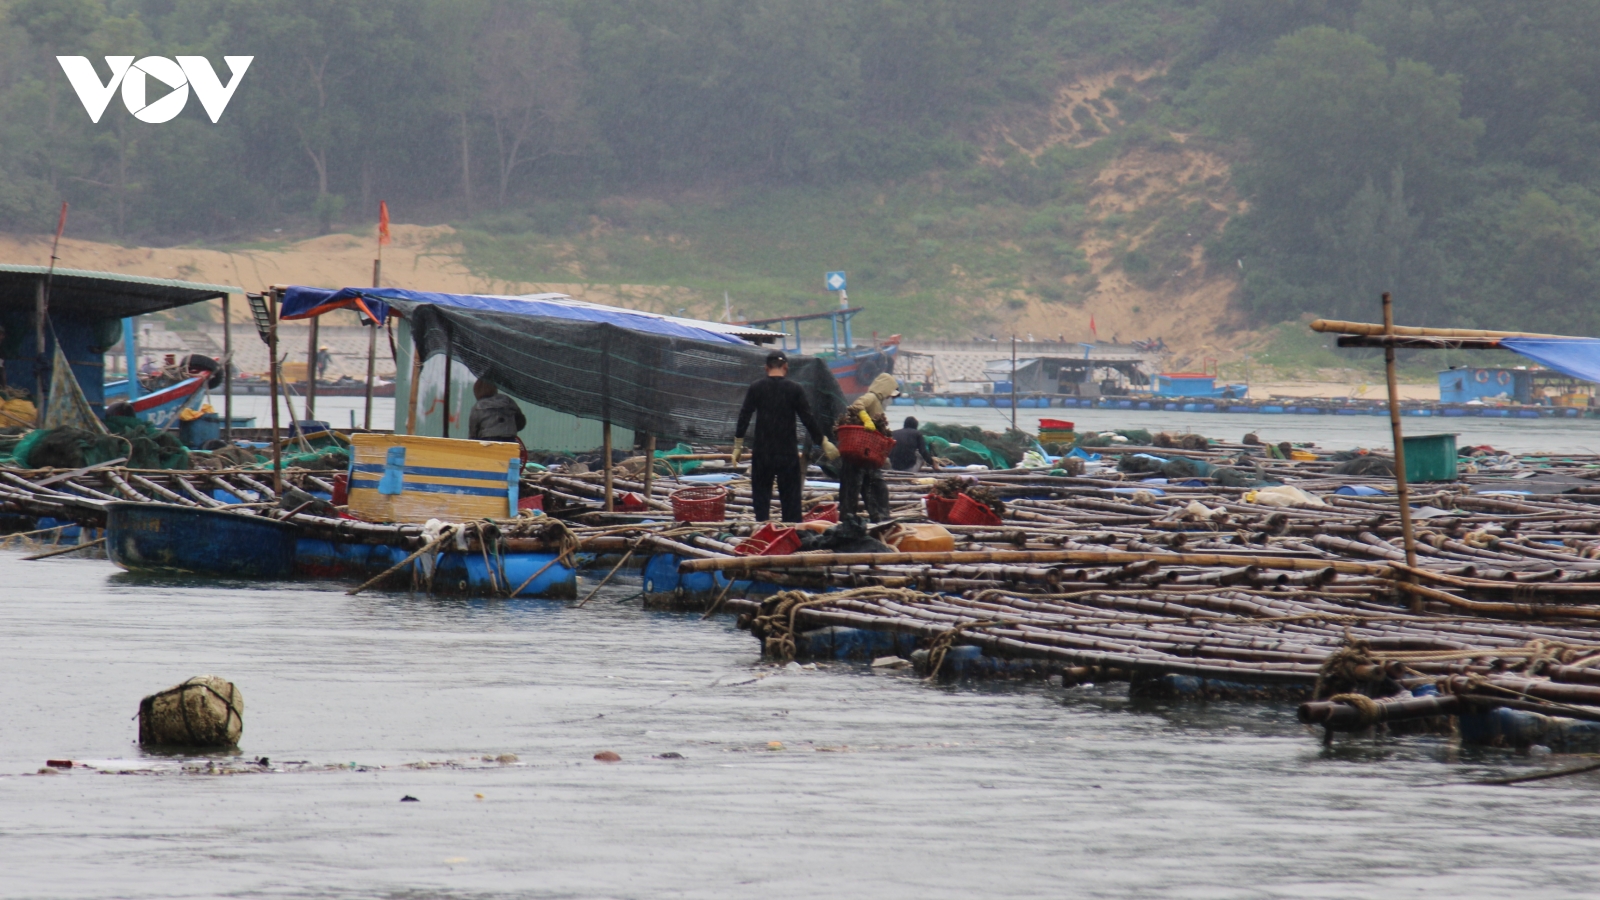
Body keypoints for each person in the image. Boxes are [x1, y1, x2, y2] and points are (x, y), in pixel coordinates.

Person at [735, 351, 831, 522]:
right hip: (787, 453)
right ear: (786, 367)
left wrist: (738, 444)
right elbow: (808, 418)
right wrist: (822, 441)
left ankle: (763, 530)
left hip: (762, 451)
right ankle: (791, 533)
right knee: (791, 500)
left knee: (761, 497)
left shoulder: (756, 387)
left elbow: (744, 415)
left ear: (766, 368)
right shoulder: (795, 389)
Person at [838, 372, 900, 521]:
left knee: (876, 487)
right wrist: (866, 420)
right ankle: (848, 521)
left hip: (867, 455)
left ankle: (879, 518)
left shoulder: (879, 404)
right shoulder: (871, 397)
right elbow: (857, 405)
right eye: (890, 395)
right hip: (856, 452)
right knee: (851, 490)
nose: (890, 399)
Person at [468, 378, 526, 442]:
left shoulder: (477, 407)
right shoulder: (508, 400)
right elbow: (521, 422)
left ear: (476, 391)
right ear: (494, 388)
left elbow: (473, 432)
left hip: (487, 441)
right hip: (509, 439)